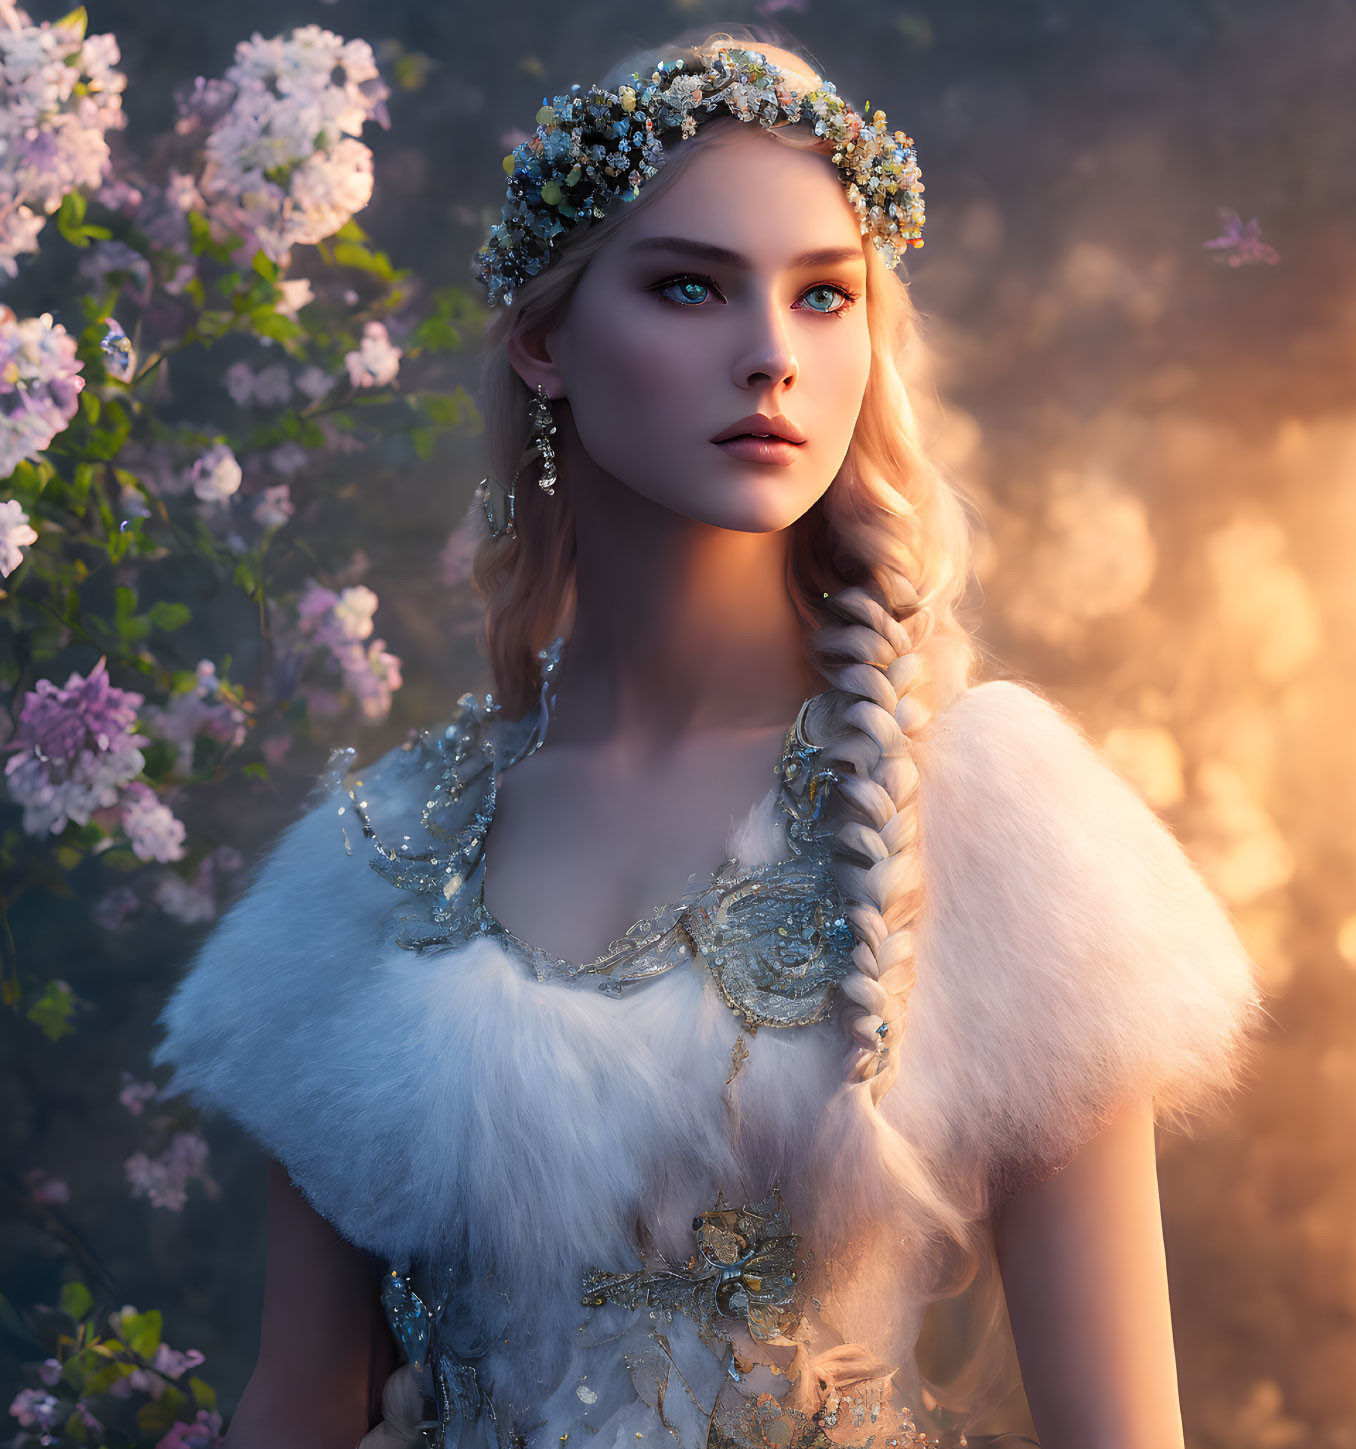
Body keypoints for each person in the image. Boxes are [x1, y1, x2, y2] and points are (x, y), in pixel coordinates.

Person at [153, 30, 1266, 1449]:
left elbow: (1120, 1431)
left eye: (822, 296)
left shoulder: (986, 812)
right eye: (689, 286)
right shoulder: (381, 858)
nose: (768, 357)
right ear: (543, 340)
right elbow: (300, 1401)